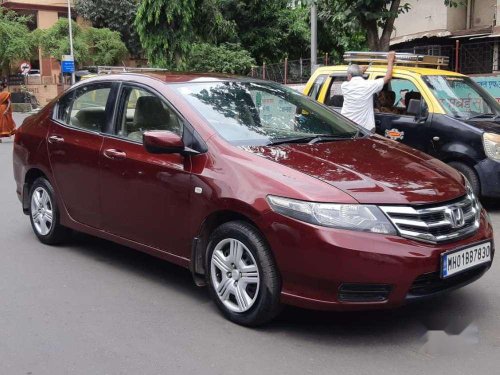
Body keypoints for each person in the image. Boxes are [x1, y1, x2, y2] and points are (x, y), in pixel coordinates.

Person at [341, 51, 396, 130]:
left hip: (346, 125)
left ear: (349, 76)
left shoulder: (344, 86)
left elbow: (354, 79)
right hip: (363, 129)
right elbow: (388, 77)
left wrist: (360, 71)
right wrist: (390, 60)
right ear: (360, 74)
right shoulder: (368, 85)